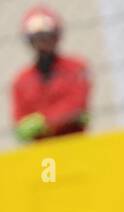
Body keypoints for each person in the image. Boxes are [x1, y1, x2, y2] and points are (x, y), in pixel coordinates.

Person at [11, 6, 90, 143]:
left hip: (74, 142)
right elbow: (20, 123)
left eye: (47, 37)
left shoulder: (76, 68)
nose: (43, 43)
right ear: (30, 41)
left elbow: (75, 106)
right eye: (38, 38)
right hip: (41, 151)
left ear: (56, 37)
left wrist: (42, 121)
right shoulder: (21, 81)